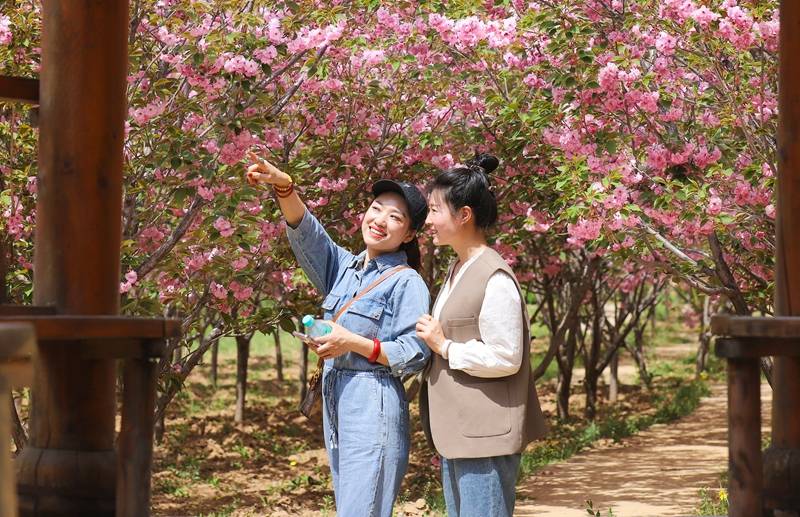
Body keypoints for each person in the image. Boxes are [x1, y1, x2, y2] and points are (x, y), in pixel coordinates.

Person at [245, 151, 431, 517]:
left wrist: (352, 342)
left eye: (395, 217)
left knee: (362, 509)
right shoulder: (346, 268)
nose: (380, 220)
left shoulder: (407, 282)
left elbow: (416, 351)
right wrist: (283, 186)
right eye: (376, 208)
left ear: (409, 233)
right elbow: (308, 235)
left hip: (372, 400)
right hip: (337, 395)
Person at [416, 154, 547, 517]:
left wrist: (445, 346)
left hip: (484, 437)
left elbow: (506, 356)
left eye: (434, 211)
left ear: (464, 215)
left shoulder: (495, 275)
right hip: (461, 433)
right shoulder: (458, 267)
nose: (428, 221)